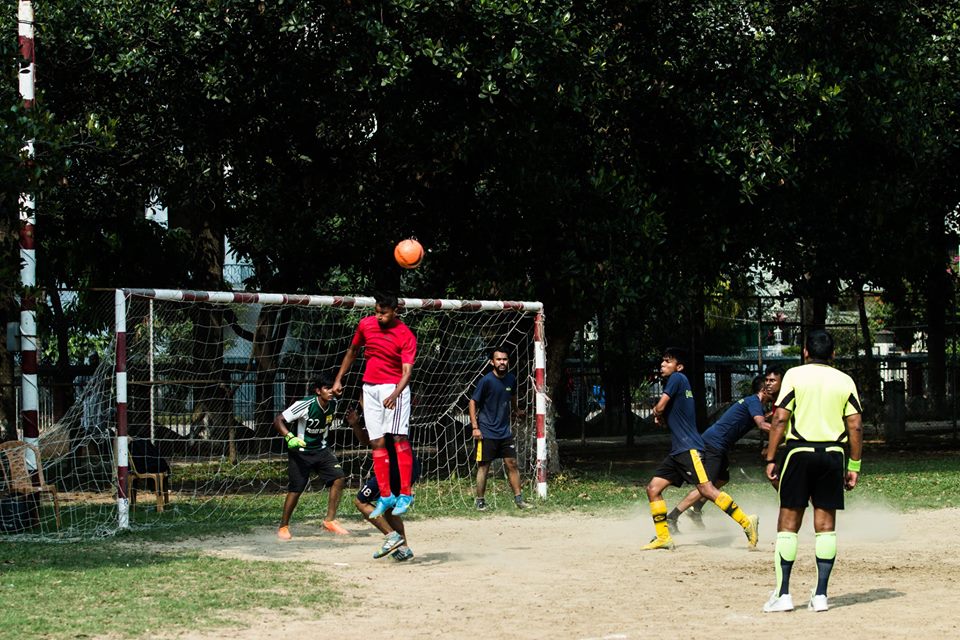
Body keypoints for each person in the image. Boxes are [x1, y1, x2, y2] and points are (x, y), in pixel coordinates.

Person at [762, 330, 863, 613]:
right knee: (825, 527)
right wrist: (854, 465)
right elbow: (855, 425)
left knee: (788, 524)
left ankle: (783, 594)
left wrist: (771, 458)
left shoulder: (794, 376)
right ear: (833, 354)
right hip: (833, 455)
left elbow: (780, 419)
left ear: (805, 351)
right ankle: (820, 595)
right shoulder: (845, 381)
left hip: (799, 453)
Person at [642, 347, 759, 550]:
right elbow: (673, 414)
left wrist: (657, 412)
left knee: (706, 489)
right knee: (653, 489)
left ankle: (746, 521)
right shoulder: (682, 382)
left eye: (667, 361)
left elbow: (660, 407)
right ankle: (663, 537)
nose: (662, 364)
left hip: (689, 448)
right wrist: (662, 416)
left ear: (679, 366)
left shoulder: (676, 378)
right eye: (662, 361)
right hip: (679, 450)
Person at [333, 292, 417, 518]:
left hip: (394, 387)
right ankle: (386, 495)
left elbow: (407, 372)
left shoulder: (405, 334)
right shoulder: (365, 325)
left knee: (398, 438)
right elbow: (352, 351)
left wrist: (396, 394)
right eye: (377, 312)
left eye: (384, 313)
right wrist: (339, 378)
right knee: (376, 441)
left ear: (395, 311)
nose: (379, 316)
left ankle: (406, 494)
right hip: (369, 387)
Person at [673, 366, 784, 530]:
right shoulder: (754, 402)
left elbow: (762, 418)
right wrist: (783, 432)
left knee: (723, 479)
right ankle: (672, 517)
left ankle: (695, 509)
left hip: (717, 444)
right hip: (713, 444)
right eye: (769, 386)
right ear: (763, 390)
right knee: (706, 486)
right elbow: (761, 424)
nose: (773, 392)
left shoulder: (752, 403)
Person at [273, 372, 350, 540]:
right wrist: (289, 437)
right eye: (327, 388)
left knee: (339, 478)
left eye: (332, 388)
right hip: (301, 452)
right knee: (296, 489)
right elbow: (278, 420)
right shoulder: (305, 404)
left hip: (321, 450)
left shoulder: (334, 404)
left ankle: (329, 521)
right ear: (318, 391)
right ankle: (283, 526)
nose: (331, 391)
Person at [346, 406, 417, 561]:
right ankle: (404, 549)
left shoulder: (384, 412)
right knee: (390, 510)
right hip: (404, 467)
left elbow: (376, 441)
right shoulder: (379, 414)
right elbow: (367, 440)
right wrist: (355, 424)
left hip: (395, 470)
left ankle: (392, 537)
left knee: (360, 502)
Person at [469, 347, 531, 511]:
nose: (502, 362)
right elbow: (472, 402)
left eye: (504, 359)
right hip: (486, 431)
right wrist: (475, 427)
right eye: (498, 359)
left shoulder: (511, 379)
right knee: (484, 466)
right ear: (492, 362)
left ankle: (519, 500)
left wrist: (516, 410)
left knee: (512, 463)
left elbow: (512, 395)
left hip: (504, 431)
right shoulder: (486, 381)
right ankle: (480, 501)